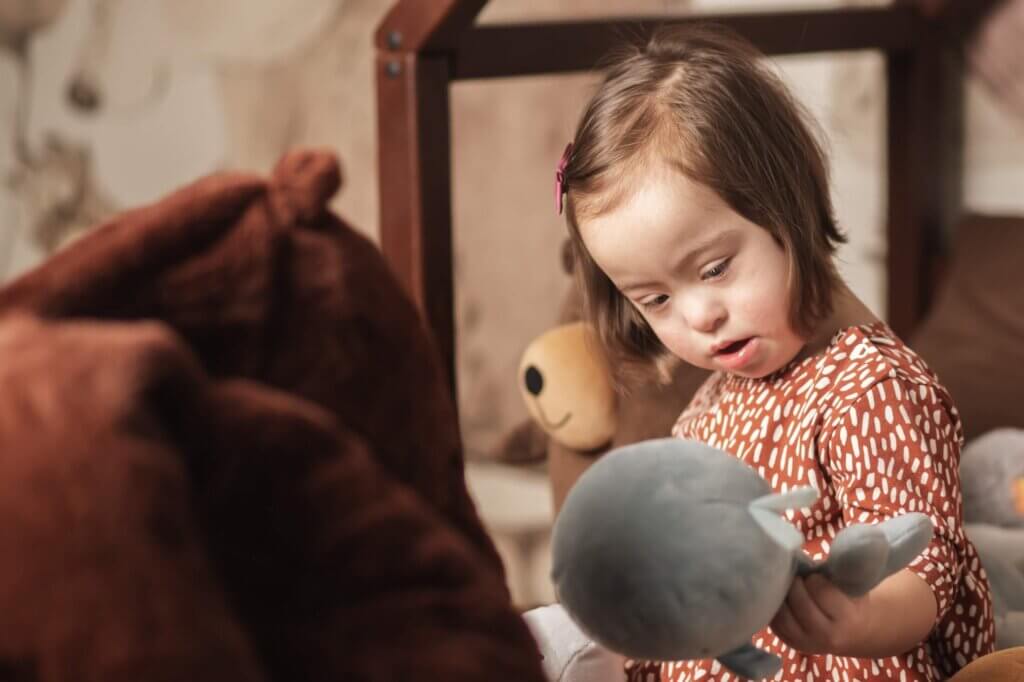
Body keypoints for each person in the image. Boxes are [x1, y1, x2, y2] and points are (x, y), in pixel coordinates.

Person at [555, 23, 994, 682]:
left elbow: (924, 562)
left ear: (786, 205)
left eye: (714, 268)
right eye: (655, 300)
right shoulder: (716, 401)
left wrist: (857, 618)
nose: (700, 315)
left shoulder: (871, 387)